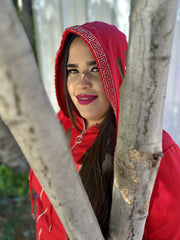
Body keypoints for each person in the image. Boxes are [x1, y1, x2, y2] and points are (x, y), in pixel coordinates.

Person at [29, 21, 180, 240]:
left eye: (95, 69)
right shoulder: (60, 126)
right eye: (73, 70)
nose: (82, 82)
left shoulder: (152, 149)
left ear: (118, 71)